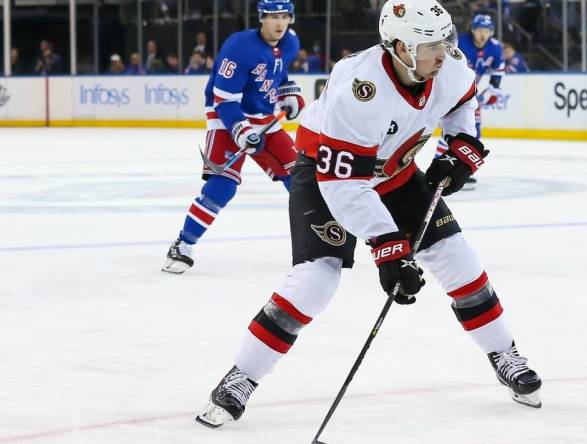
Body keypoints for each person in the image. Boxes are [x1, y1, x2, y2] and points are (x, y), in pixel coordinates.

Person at [195, 0, 542, 429]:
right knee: (315, 280)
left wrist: (460, 147)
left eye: (444, 41)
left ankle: (503, 352)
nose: (443, 53)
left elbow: (462, 101)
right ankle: (241, 377)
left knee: (458, 258)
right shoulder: (359, 88)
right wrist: (388, 247)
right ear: (399, 46)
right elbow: (345, 187)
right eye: (429, 45)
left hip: (394, 172)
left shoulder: (448, 65)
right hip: (325, 173)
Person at [162, 0, 304, 274]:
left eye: (284, 16)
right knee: (222, 187)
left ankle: (322, 244)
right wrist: (241, 130)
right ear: (261, 18)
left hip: (264, 118)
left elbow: (279, 72)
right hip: (226, 117)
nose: (279, 23)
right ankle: (183, 244)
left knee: (300, 179)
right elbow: (223, 100)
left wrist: (289, 94)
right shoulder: (239, 47)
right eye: (273, 16)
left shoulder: (290, 42)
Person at [434, 12, 505, 190]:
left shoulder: (495, 47)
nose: (483, 34)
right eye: (480, 30)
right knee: (452, 131)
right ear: (472, 30)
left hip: (469, 92)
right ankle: (440, 165)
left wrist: (494, 87)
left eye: (487, 31)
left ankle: (457, 167)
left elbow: (497, 70)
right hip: (451, 90)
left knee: (473, 132)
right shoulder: (461, 44)